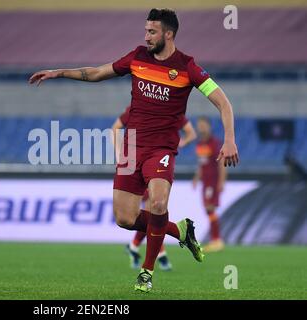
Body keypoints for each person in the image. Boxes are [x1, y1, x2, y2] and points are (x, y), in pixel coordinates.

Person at [29, 8, 239, 292]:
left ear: (169, 34)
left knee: (158, 204)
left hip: (161, 149)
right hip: (131, 149)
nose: (146, 36)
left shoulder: (188, 67)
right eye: (146, 31)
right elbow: (96, 73)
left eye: (152, 32)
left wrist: (229, 139)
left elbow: (223, 103)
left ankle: (146, 272)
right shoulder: (137, 57)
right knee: (125, 219)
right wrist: (59, 72)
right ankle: (181, 232)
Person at [112, 105, 197, 270]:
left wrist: (172, 148)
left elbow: (191, 133)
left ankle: (141, 249)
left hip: (156, 162)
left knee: (155, 208)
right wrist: (120, 154)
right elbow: (115, 127)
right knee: (145, 214)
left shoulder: (171, 107)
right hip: (135, 163)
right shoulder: (137, 108)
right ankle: (151, 250)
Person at [193, 116, 227, 252]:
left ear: (209, 126)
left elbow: (222, 164)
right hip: (205, 182)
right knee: (208, 209)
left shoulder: (215, 143)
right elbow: (201, 164)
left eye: (203, 125)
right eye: (199, 125)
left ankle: (216, 240)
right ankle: (216, 239)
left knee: (210, 208)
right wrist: (196, 178)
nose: (201, 127)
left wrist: (221, 182)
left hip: (213, 182)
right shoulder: (200, 144)